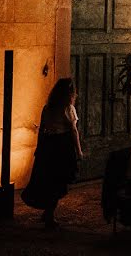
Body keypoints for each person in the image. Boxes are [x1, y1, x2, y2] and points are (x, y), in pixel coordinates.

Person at [22, 78, 83, 228]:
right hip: (60, 147)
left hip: (47, 145)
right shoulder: (67, 108)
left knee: (48, 180)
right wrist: (79, 151)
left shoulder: (47, 107)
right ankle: (49, 215)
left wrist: (39, 146)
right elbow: (73, 131)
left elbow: (42, 129)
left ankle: (47, 212)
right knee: (58, 181)